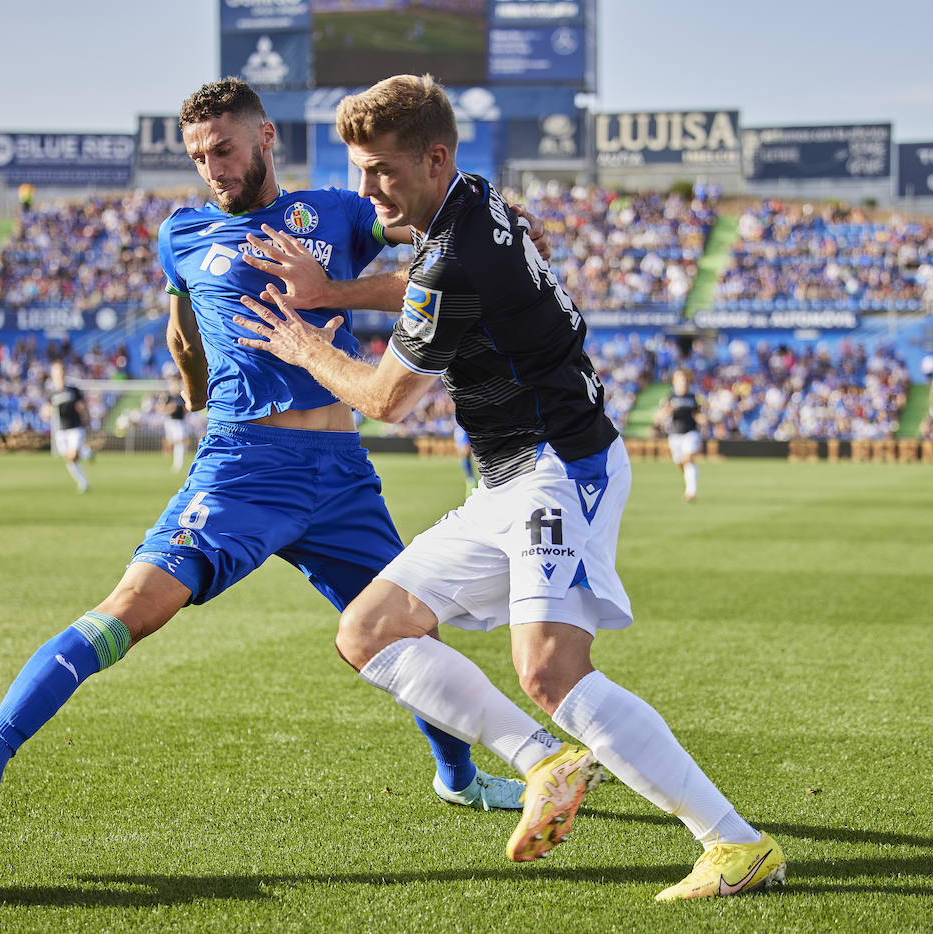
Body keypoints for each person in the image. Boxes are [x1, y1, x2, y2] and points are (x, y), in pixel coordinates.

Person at [233, 74, 784, 901]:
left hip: (559, 467)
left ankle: (735, 844)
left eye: (382, 170)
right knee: (370, 631)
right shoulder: (473, 201)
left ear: (434, 158)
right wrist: (336, 291)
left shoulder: (457, 254)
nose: (367, 189)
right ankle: (546, 761)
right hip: (506, 477)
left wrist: (305, 340)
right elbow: (424, 285)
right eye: (359, 169)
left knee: (551, 669)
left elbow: (385, 399)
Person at [0, 77, 521, 825]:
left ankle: (458, 778)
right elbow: (182, 335)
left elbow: (444, 253)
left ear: (266, 137)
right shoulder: (182, 234)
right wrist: (194, 392)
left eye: (225, 149)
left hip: (341, 475)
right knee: (133, 608)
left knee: (411, 630)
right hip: (244, 468)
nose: (213, 168)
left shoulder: (336, 212)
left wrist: (500, 230)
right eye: (200, 156)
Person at [655, 369, 704, 502]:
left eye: (684, 379)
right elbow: (658, 418)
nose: (682, 382)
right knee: (681, 463)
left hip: (690, 433)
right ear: (674, 382)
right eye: (679, 379)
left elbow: (699, 414)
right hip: (675, 435)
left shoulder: (693, 397)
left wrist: (703, 419)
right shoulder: (669, 398)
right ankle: (690, 478)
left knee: (688, 459)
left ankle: (691, 492)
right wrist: (667, 411)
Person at [45, 360, 90, 492]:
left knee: (72, 456)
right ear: (52, 374)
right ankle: (84, 480)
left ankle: (85, 455)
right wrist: (47, 412)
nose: (60, 373)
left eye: (61, 370)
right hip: (61, 430)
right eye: (57, 371)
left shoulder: (73, 390)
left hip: (75, 428)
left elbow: (81, 406)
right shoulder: (52, 393)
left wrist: (85, 418)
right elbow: (47, 410)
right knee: (70, 460)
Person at [161, 377, 190, 473]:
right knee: (172, 442)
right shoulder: (167, 397)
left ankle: (178, 463)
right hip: (170, 421)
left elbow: (187, 408)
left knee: (180, 442)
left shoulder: (181, 396)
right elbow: (161, 408)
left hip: (180, 421)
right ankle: (169, 455)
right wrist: (170, 408)